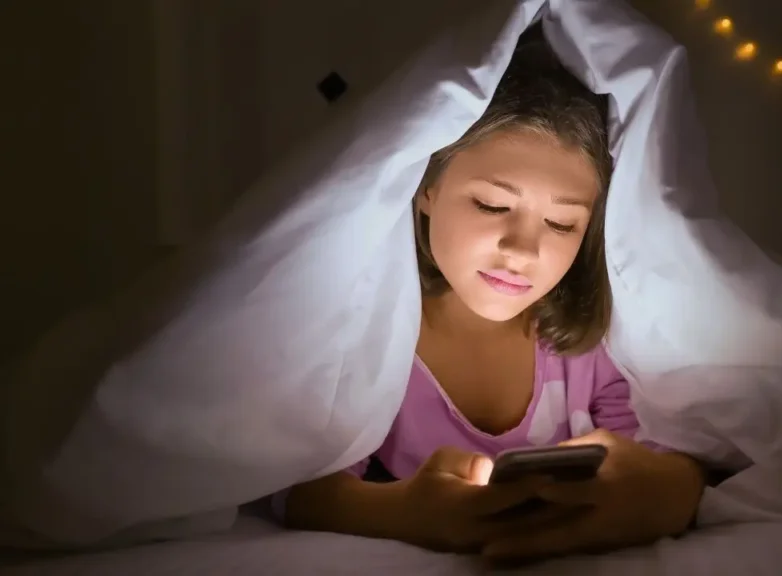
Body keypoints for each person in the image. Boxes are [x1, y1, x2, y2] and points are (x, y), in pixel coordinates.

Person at [276, 26, 706, 563]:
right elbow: (302, 492)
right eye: (492, 205)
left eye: (561, 223)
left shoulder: (595, 345)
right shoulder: (370, 341)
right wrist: (405, 510)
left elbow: (663, 457)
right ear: (426, 189)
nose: (522, 249)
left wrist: (666, 490)